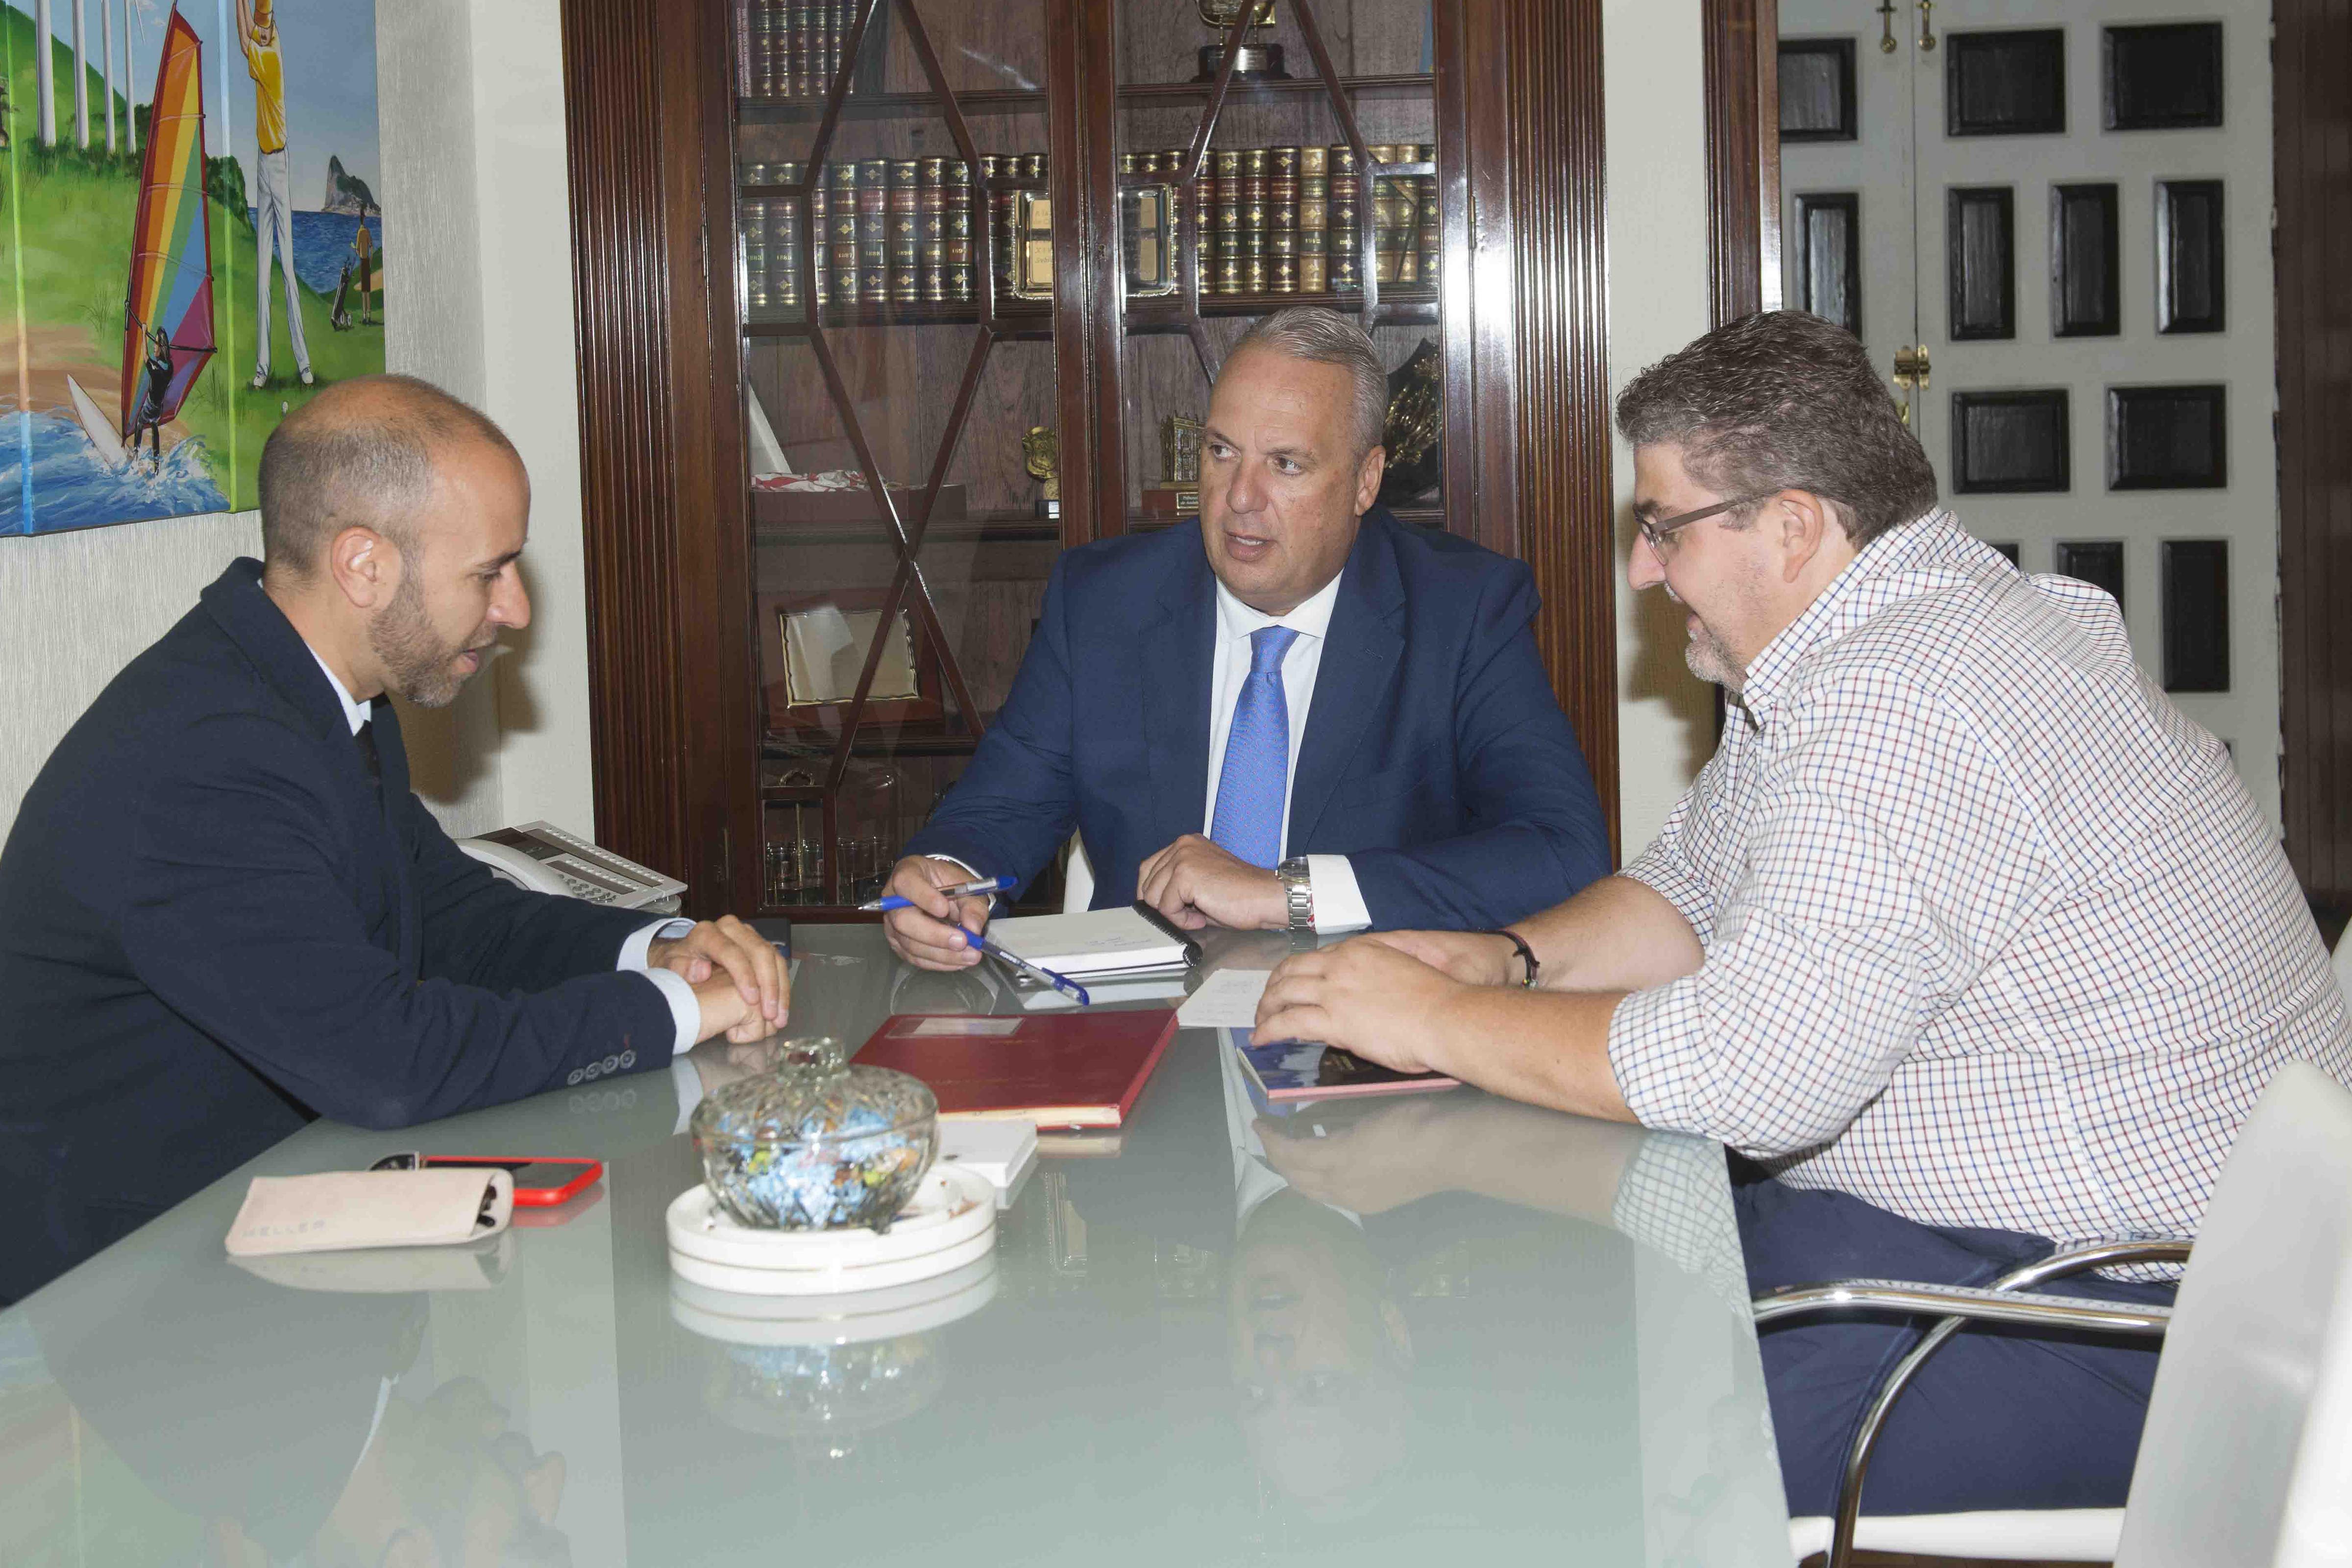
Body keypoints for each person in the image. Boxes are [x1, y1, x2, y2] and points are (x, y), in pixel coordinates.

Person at [1252, 309, 2352, 1519]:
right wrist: (1508, 960)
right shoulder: (1893, 642)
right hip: (2035, 1249)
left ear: (1789, 526)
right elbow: (1686, 884)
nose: (1639, 569)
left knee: (1615, 1464)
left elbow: (1748, 1071)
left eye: (1661, 527)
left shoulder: (1903, 703)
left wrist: (1431, 1021)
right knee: (1612, 1312)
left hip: (2126, 1326)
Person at [0, 375, 788, 1303]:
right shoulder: (206, 757)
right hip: (125, 1306)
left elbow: (449, 914)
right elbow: (387, 1062)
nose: (517, 609)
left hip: (265, 1245)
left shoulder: (320, 689)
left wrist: (658, 948)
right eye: (490, 571)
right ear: (365, 566)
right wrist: (676, 1013)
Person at [883, 307, 1609, 969]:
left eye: (1285, 464)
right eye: (1222, 452)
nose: (1240, 499)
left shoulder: (1461, 612)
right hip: (1141, 1021)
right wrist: (945, 876)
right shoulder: (1107, 602)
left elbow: (1563, 852)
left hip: (1366, 1027)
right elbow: (999, 809)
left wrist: (1289, 893)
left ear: (1366, 480)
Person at [237, 0, 314, 389]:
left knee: (286, 272)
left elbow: (241, 39)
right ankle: (263, 368)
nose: (262, 34)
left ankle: (303, 363)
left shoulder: (270, 63)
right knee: (263, 276)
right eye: (260, 28)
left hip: (279, 168)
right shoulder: (271, 42)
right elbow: (249, 31)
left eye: (265, 29)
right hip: (262, 166)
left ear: (272, 31)